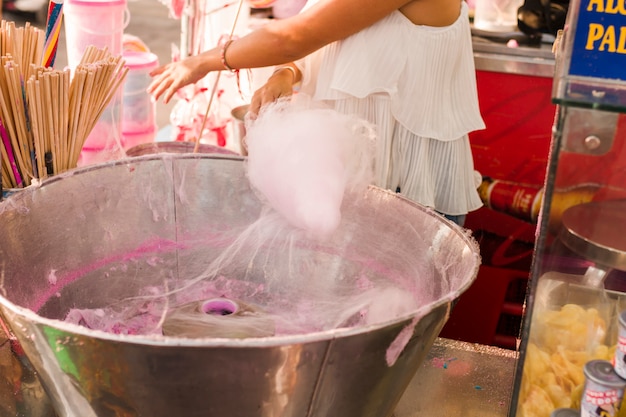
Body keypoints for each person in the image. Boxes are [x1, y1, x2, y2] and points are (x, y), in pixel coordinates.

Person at [148, 0, 485, 226]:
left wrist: (204, 61)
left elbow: (296, 36)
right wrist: (288, 73)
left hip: (406, 187)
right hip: (355, 179)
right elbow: (334, 35)